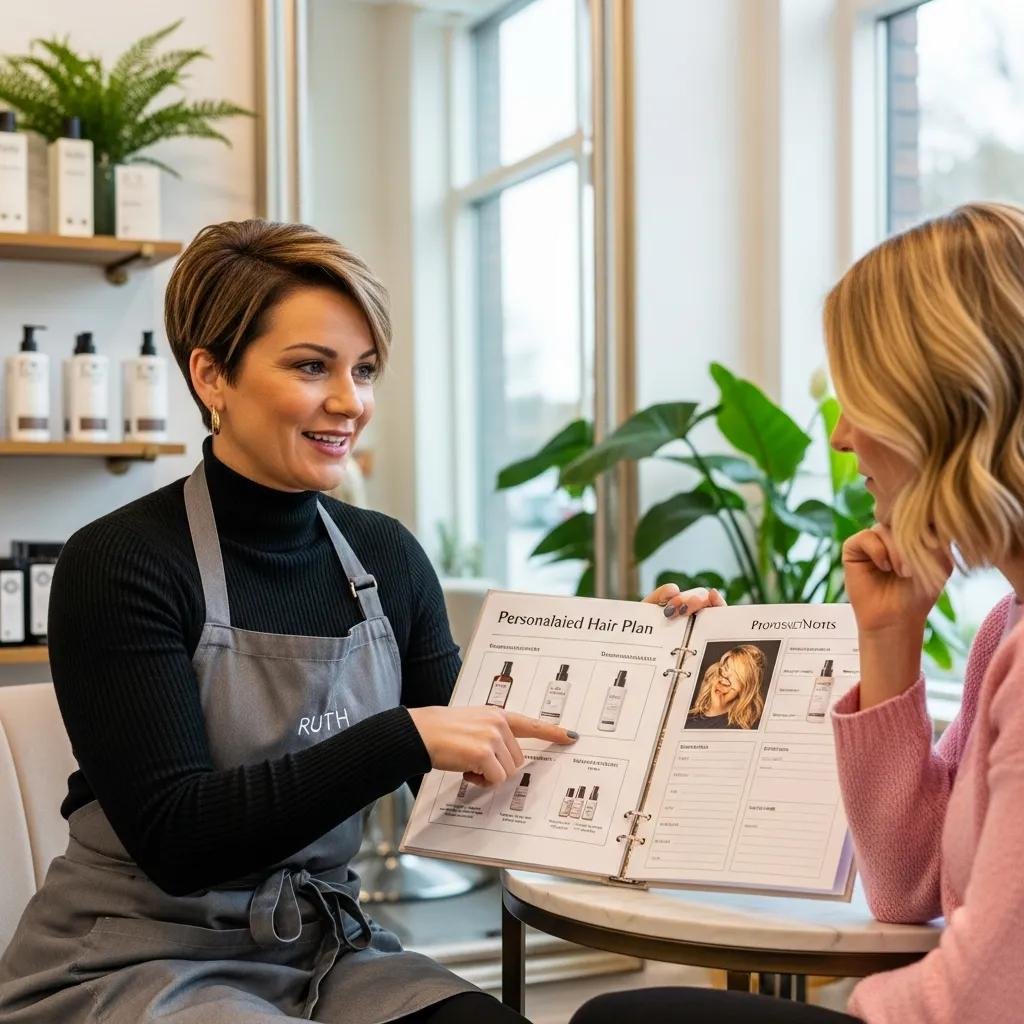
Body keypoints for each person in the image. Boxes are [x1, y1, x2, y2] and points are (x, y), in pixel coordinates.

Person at [0, 219, 714, 1024]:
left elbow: (475, 786)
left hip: (327, 952)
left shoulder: (389, 558)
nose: (351, 402)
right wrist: (402, 735)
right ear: (211, 376)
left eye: (364, 370)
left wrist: (657, 665)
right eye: (312, 367)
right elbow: (178, 841)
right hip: (141, 959)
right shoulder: (119, 562)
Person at [571, 202, 1024, 1024]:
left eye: (865, 401)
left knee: (626, 1021)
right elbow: (909, 885)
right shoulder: (1007, 628)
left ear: (947, 409)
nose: (844, 436)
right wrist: (889, 637)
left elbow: (980, 1001)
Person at [686, 645, 766, 729]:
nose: (723, 681)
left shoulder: (743, 728)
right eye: (724, 670)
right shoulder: (688, 717)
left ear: (746, 689)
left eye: (736, 676)